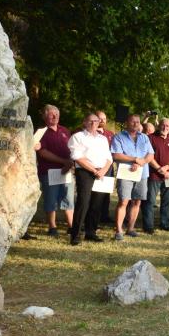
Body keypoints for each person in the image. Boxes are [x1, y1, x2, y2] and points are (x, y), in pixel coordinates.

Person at [67, 113, 113, 246]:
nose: (94, 123)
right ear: (84, 122)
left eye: (96, 121)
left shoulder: (103, 139)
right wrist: (93, 170)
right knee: (83, 202)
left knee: (97, 203)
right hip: (85, 172)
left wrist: (103, 170)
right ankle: (75, 235)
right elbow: (77, 157)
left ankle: (91, 232)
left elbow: (109, 158)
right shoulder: (77, 137)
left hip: (101, 171)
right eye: (90, 121)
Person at [110, 114, 154, 240]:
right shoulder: (118, 137)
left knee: (137, 201)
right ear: (126, 123)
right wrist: (134, 159)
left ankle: (130, 228)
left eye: (138, 122)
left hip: (142, 173)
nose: (136, 124)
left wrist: (142, 162)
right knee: (123, 201)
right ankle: (119, 230)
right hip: (126, 173)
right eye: (133, 122)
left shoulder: (144, 137)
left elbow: (150, 154)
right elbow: (116, 155)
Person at [34, 104, 74, 237]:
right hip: (49, 172)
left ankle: (71, 226)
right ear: (45, 116)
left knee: (68, 198)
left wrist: (70, 163)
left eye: (57, 114)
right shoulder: (41, 132)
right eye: (51, 114)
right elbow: (43, 153)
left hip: (67, 171)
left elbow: (72, 149)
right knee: (51, 200)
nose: (55, 116)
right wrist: (64, 162)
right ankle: (53, 227)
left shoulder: (65, 131)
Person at [145, 118, 169, 233]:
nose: (165, 128)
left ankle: (165, 223)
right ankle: (148, 226)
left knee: (167, 201)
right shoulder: (150, 138)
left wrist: (167, 168)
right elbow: (148, 156)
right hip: (154, 174)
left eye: (168, 126)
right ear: (159, 126)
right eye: (163, 125)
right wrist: (159, 168)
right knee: (150, 201)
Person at [94, 110, 115, 225]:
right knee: (95, 193)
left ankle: (104, 215)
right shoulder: (88, 133)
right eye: (99, 118)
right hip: (94, 168)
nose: (102, 121)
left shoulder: (110, 134)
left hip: (108, 167)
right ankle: (93, 216)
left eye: (104, 118)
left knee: (106, 193)